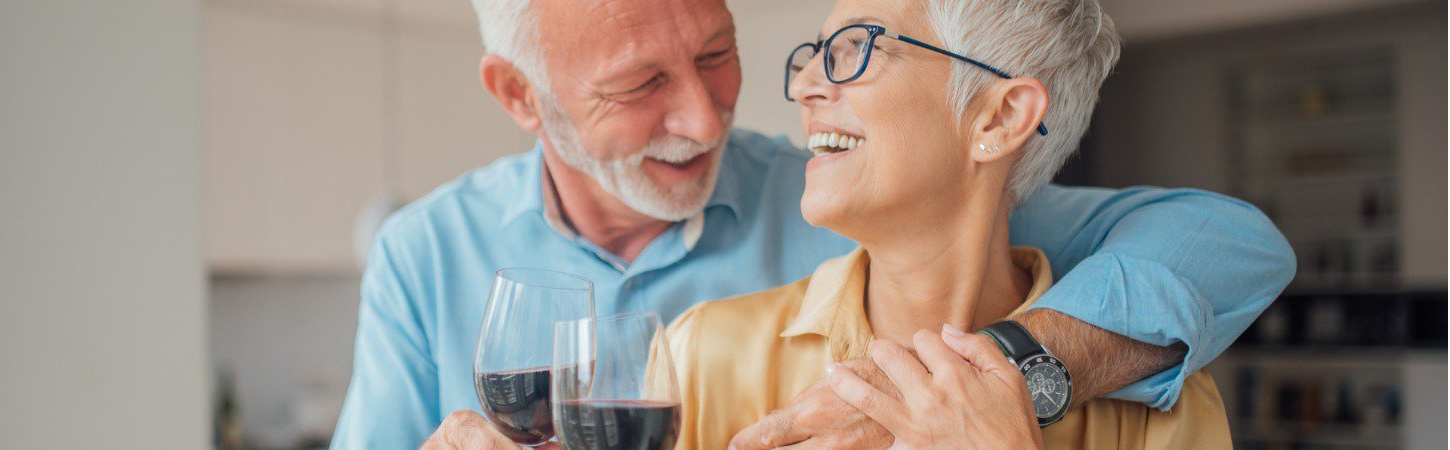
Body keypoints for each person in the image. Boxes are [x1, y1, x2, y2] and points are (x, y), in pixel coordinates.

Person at [330, 0, 1296, 447]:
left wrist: (1008, 377)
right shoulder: (430, 257)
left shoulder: (852, 184)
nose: (714, 119)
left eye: (717, 56)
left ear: (998, 119)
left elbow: (1230, 243)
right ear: (521, 96)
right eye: (639, 85)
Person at [665, 0, 1240, 447]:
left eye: (857, 46)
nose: (803, 85)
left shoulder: (1165, 412)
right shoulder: (698, 355)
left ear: (1000, 116)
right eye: (816, 52)